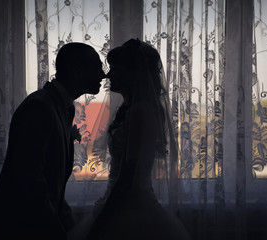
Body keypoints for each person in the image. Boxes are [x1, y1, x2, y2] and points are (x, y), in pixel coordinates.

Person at [0, 42, 106, 240]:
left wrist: (65, 221)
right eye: (98, 67)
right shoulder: (39, 108)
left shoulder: (61, 107)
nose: (103, 74)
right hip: (15, 229)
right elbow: (30, 182)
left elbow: (53, 182)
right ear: (78, 71)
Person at [70, 39, 192, 240]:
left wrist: (103, 218)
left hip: (132, 210)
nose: (108, 75)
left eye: (116, 69)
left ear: (133, 74)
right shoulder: (129, 109)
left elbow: (128, 176)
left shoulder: (141, 112)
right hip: (123, 204)